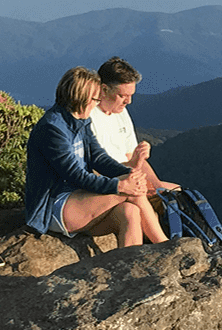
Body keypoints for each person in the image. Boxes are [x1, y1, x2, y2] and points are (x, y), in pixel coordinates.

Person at [22, 66, 166, 248]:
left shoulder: (82, 120)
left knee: (130, 212)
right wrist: (120, 185)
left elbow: (99, 158)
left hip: (81, 198)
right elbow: (75, 175)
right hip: (55, 205)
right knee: (130, 192)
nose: (97, 104)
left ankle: (129, 271)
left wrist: (127, 174)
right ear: (80, 98)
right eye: (95, 99)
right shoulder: (52, 129)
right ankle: (165, 246)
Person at [90, 57, 178, 195]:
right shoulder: (89, 117)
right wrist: (132, 166)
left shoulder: (121, 112)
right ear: (104, 89)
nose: (128, 101)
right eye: (122, 95)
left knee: (178, 193)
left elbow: (133, 158)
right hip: (112, 183)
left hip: (131, 175)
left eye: (131, 95)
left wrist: (159, 188)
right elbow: (94, 169)